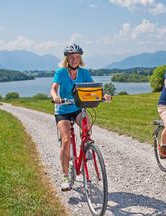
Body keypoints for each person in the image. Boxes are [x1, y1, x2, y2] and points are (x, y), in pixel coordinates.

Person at [51, 43, 111, 191]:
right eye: (72, 57)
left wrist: (103, 95)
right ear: (67, 59)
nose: (74, 59)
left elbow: (93, 88)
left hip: (77, 107)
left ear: (80, 58)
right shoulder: (61, 72)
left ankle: (85, 146)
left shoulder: (84, 72)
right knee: (66, 140)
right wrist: (55, 96)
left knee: (87, 124)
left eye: (77, 57)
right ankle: (65, 176)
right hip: (63, 109)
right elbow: (54, 88)